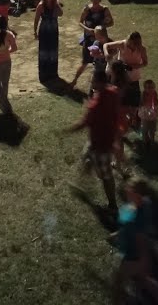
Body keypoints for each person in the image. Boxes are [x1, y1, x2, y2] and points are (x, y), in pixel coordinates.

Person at [68, 67, 120, 213]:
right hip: (105, 139)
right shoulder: (113, 92)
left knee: (106, 176)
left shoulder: (96, 105)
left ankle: (113, 205)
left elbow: (83, 123)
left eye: (93, 80)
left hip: (100, 144)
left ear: (98, 82)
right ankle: (83, 184)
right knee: (86, 157)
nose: (91, 82)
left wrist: (67, 130)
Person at [112, 177, 158, 305]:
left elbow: (140, 239)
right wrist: (117, 234)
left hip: (134, 257)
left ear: (137, 194)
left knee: (117, 282)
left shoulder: (137, 218)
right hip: (139, 257)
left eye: (129, 188)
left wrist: (143, 261)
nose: (126, 189)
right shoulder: (145, 202)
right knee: (145, 280)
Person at [73, 0, 114, 86]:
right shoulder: (87, 9)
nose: (95, 0)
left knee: (103, 61)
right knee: (85, 61)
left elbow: (111, 22)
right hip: (89, 38)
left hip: (101, 38)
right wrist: (88, 29)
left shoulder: (105, 9)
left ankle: (105, 83)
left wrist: (102, 28)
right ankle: (75, 80)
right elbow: (80, 22)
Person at [139, 79, 158, 147]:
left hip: (153, 113)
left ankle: (152, 140)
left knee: (152, 128)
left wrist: (154, 106)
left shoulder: (154, 93)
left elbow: (156, 102)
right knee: (145, 128)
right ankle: (145, 140)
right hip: (145, 113)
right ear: (145, 88)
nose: (151, 89)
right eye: (148, 88)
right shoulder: (143, 94)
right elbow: (141, 103)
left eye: (152, 87)